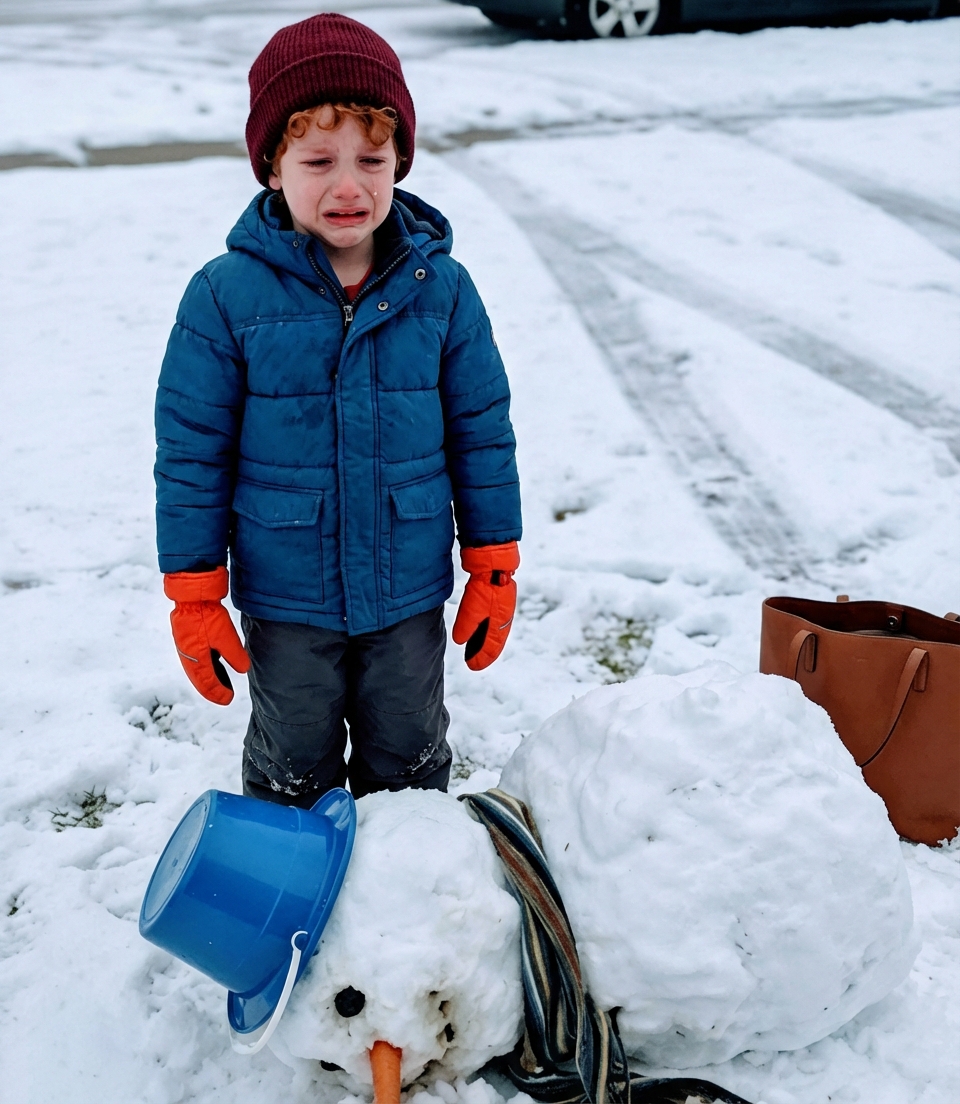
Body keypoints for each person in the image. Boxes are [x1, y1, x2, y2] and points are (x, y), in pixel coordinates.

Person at [154, 14, 521, 807]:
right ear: (272, 166)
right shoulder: (224, 297)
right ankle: (297, 872)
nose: (349, 186)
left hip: (407, 587)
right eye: (319, 161)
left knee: (409, 756)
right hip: (288, 593)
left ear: (400, 162)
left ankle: (407, 870)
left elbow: (482, 432)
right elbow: (191, 452)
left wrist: (493, 560)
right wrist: (194, 589)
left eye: (372, 160)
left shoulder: (442, 291)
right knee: (292, 760)